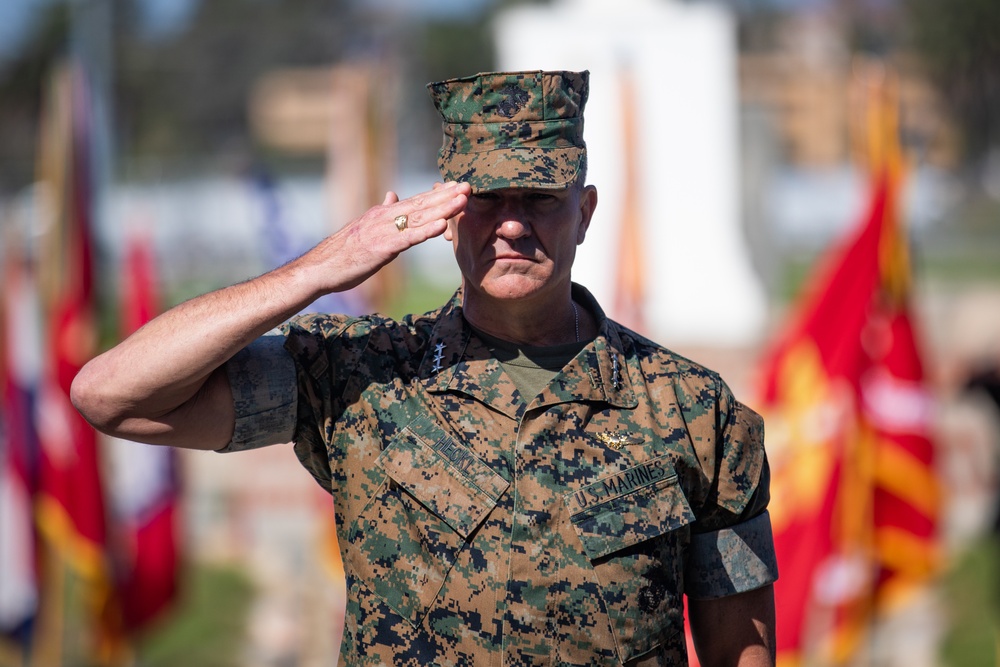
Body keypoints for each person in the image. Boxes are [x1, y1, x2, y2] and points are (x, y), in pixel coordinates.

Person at [72, 70, 777, 666]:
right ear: (445, 214)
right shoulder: (360, 378)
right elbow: (110, 394)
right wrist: (318, 269)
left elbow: (741, 646)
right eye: (486, 198)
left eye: (538, 197)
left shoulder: (691, 410)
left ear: (584, 211)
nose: (511, 223)